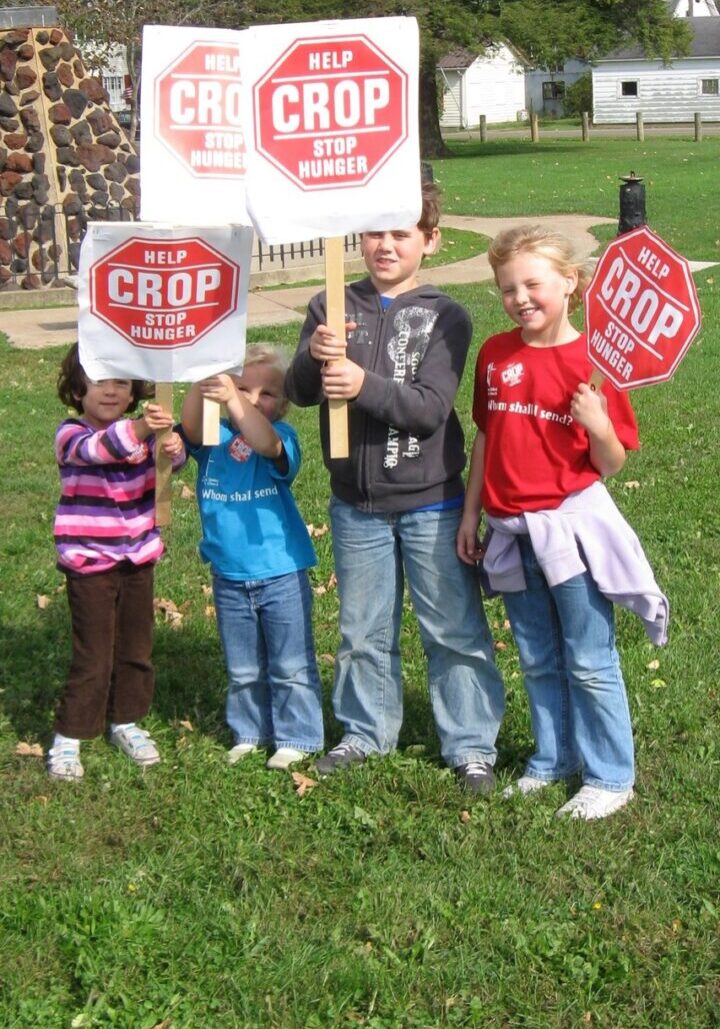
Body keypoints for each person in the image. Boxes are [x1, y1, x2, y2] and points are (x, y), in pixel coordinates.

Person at [285, 181, 505, 793]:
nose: (385, 245)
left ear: (430, 241)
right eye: (376, 231)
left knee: (453, 627)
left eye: (401, 233)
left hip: (431, 501)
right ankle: (364, 731)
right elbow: (301, 390)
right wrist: (314, 356)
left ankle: (471, 745)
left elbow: (431, 408)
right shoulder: (333, 303)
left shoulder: (445, 315)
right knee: (362, 629)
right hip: (356, 505)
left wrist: (360, 383)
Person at [457, 225, 668, 820]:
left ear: (570, 283)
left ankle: (609, 774)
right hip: (509, 531)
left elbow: (611, 461)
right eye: (507, 288)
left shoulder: (596, 362)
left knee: (588, 655)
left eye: (533, 283)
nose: (520, 298)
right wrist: (473, 512)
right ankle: (554, 756)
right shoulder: (496, 354)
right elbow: (487, 436)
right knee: (537, 654)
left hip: (567, 536)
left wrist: (599, 422)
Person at [180, 345, 324, 771]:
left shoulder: (284, 438)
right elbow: (189, 423)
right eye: (244, 386)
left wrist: (235, 399)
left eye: (265, 393)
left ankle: (298, 736)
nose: (251, 398)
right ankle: (249, 731)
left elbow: (264, 441)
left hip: (280, 571)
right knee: (242, 665)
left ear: (282, 404)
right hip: (228, 574)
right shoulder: (213, 436)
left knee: (291, 663)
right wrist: (205, 373)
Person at [49, 343, 186, 781]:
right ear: (77, 387)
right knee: (93, 655)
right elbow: (101, 451)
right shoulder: (71, 435)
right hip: (89, 564)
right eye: (100, 380)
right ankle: (70, 736)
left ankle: (125, 720)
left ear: (133, 393)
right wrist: (145, 428)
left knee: (135, 649)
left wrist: (172, 447)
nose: (110, 391)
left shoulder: (140, 437)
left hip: (137, 561)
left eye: (121, 383)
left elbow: (164, 469)